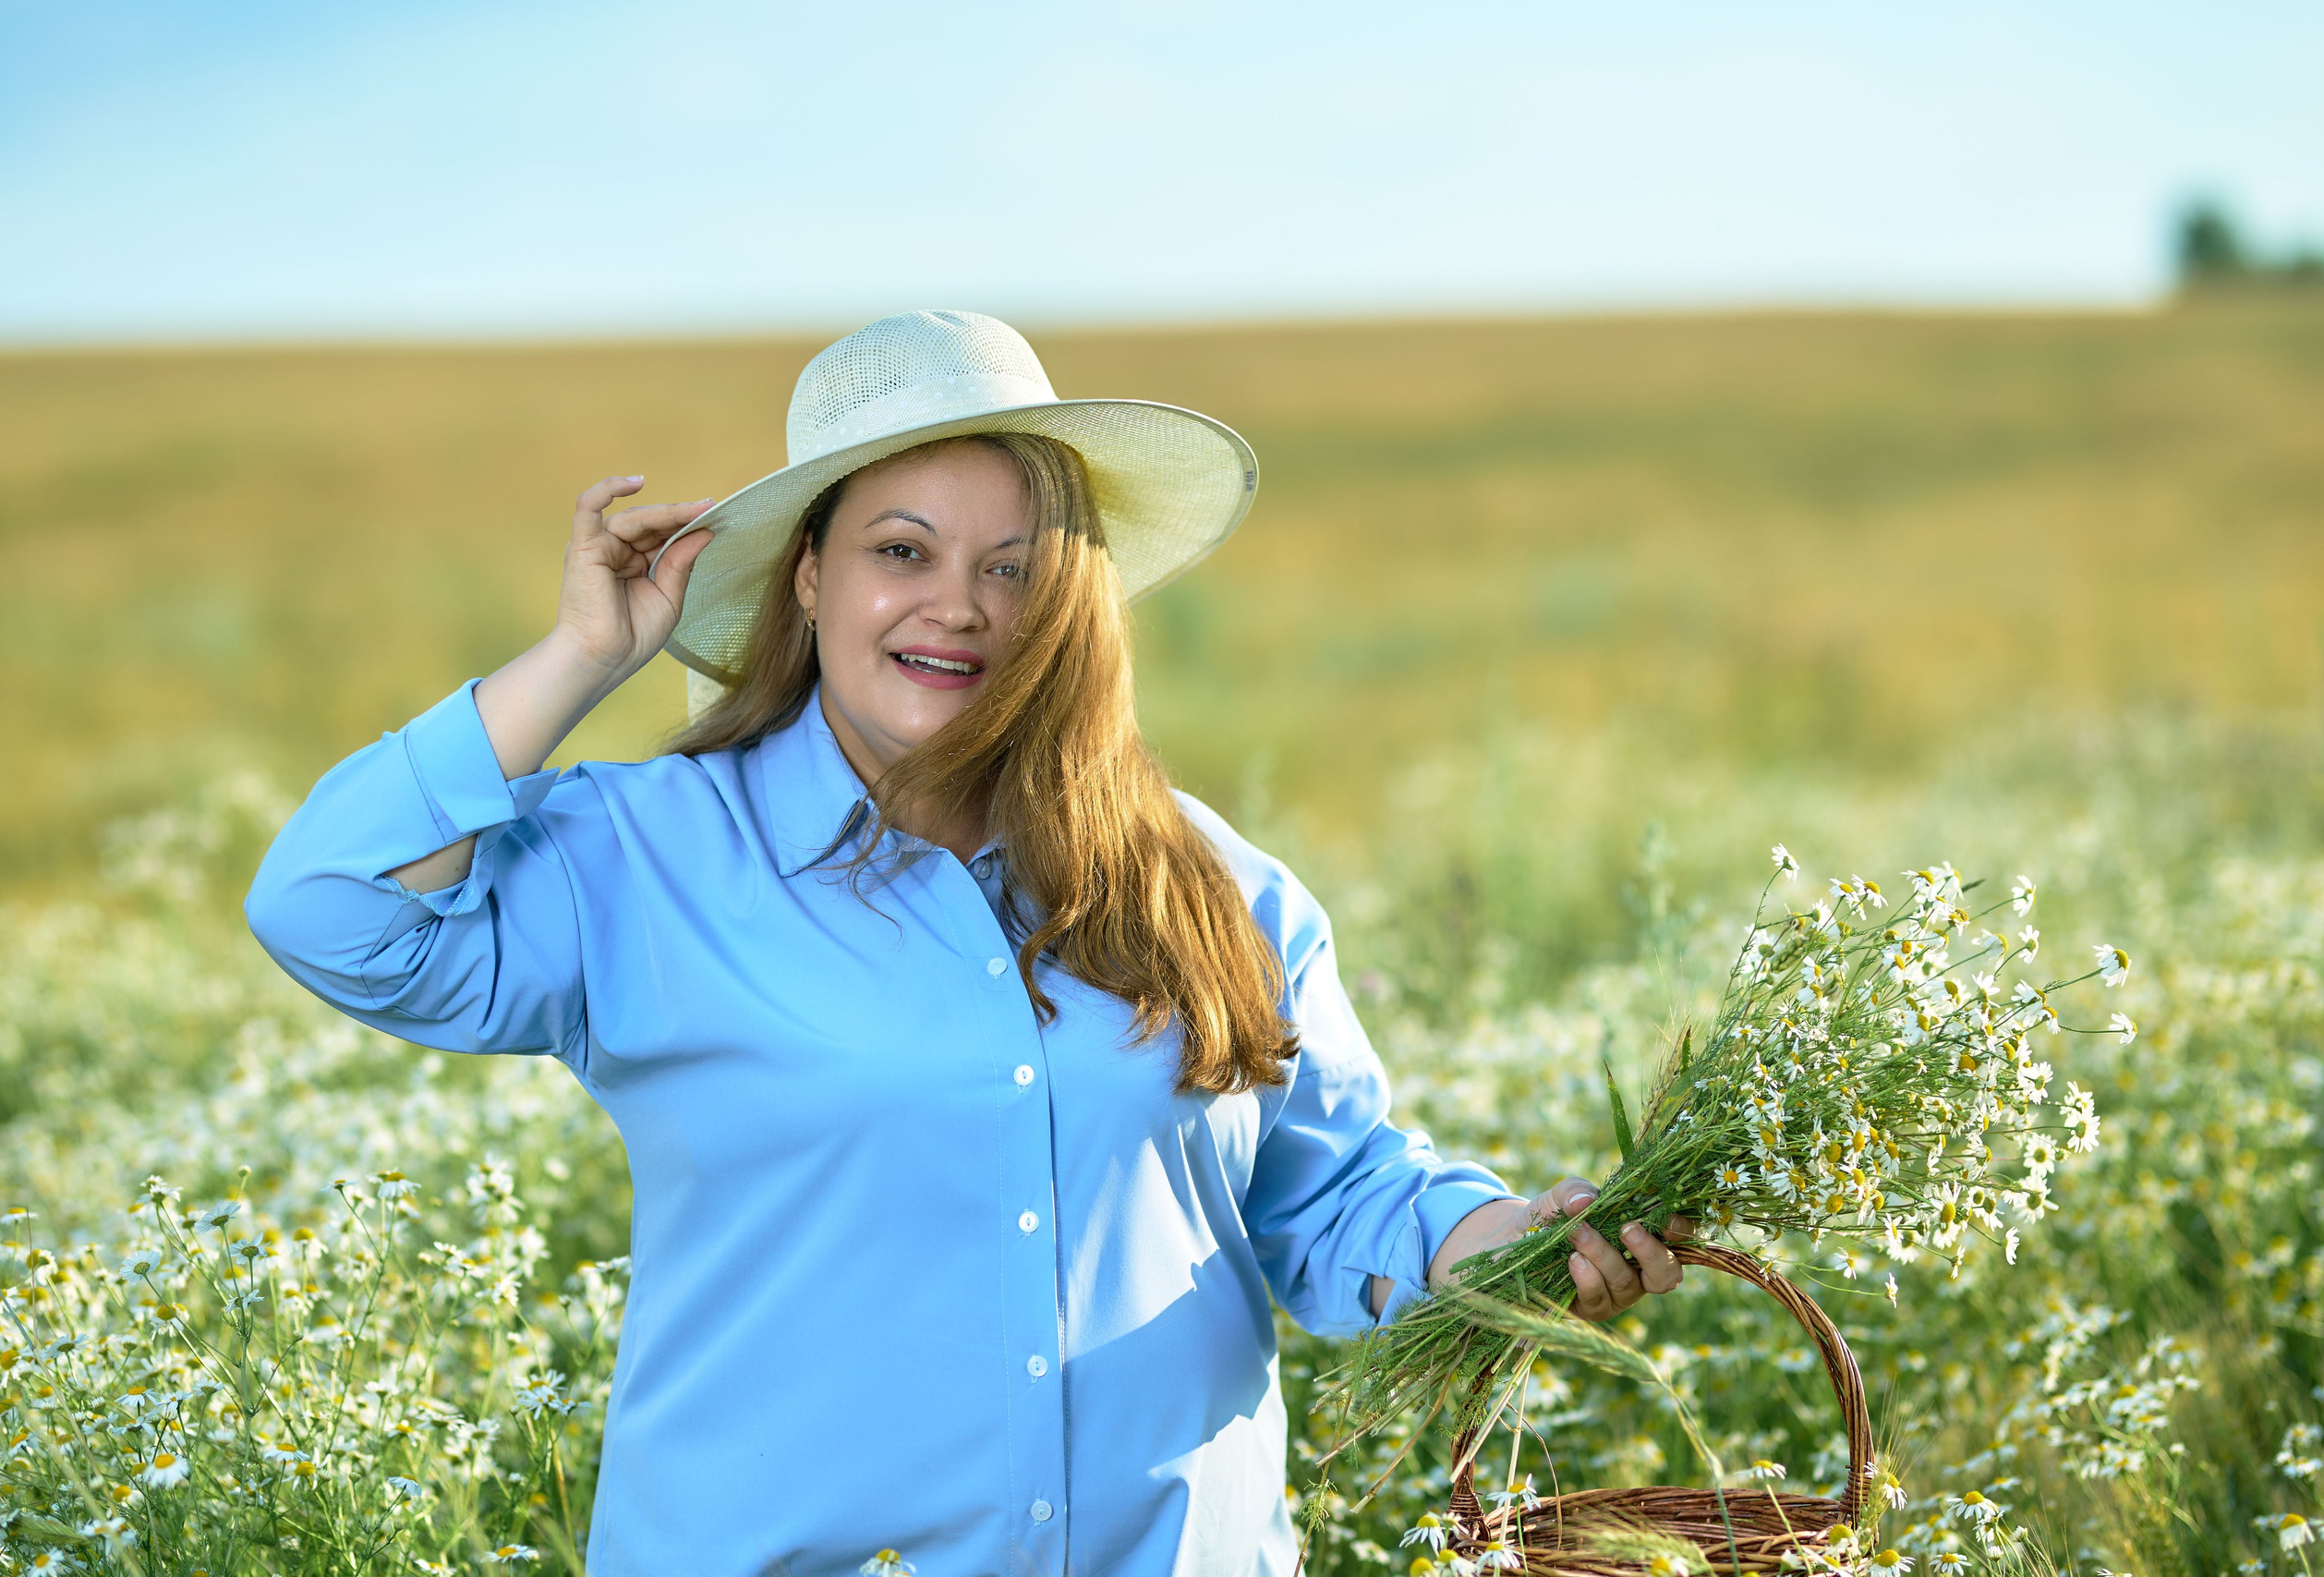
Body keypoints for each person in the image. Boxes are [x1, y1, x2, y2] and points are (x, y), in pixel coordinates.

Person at [246, 309, 1688, 1576]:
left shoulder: (1203, 878)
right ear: (807, 578)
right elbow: (326, 904)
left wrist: (1506, 1247)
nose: (961, 607)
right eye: (902, 552)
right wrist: (581, 658)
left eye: (1012, 566)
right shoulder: (648, 859)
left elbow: (1335, 1195)